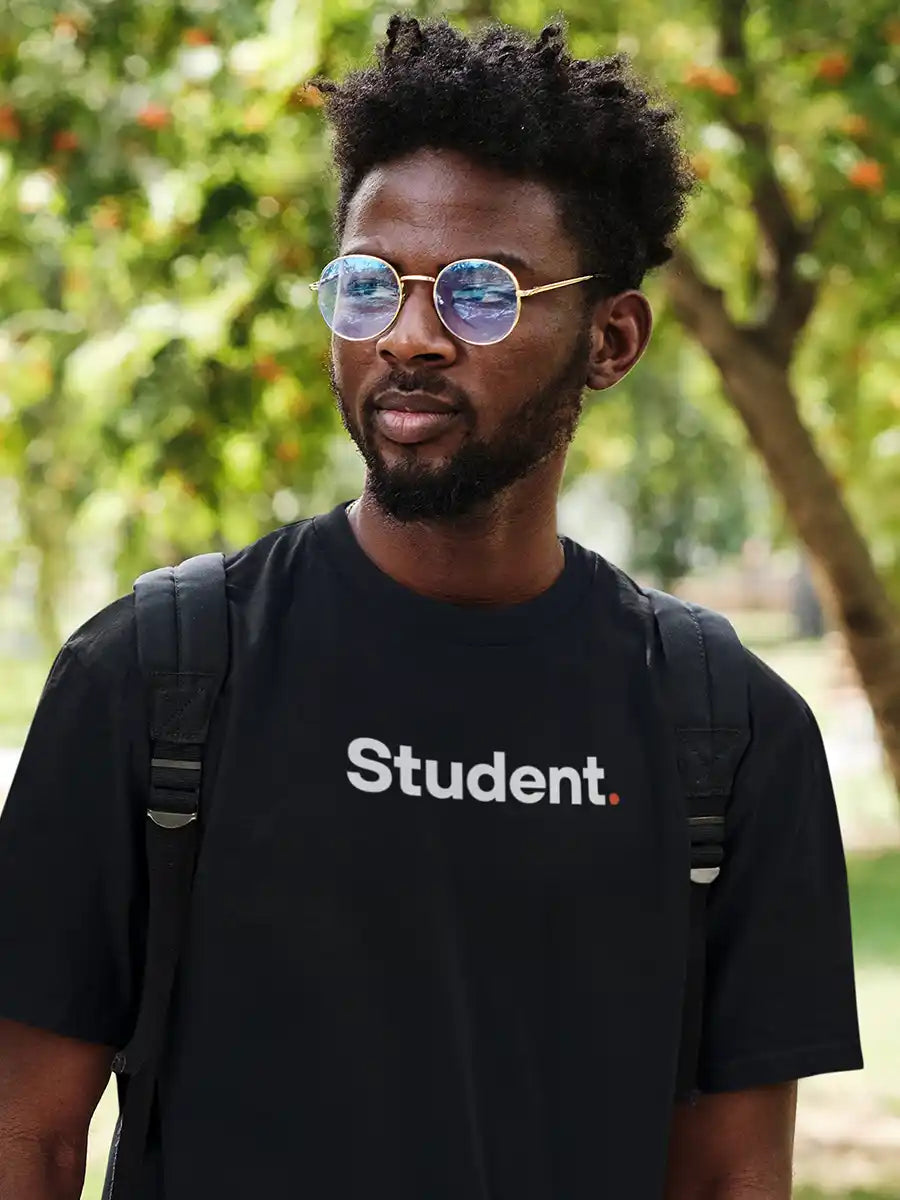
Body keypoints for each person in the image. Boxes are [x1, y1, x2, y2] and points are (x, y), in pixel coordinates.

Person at [0, 15, 862, 1200]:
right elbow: (26, 1138)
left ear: (611, 338)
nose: (408, 337)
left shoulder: (730, 732)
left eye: (480, 294)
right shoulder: (153, 679)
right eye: (368, 286)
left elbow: (730, 1179)